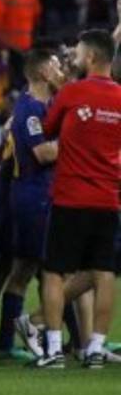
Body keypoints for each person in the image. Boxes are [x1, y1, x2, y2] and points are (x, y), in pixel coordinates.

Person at [31, 30, 121, 369]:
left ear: (92, 57)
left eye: (80, 53)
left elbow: (48, 127)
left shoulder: (72, 92)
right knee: (104, 272)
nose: (76, 57)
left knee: (54, 273)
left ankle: (54, 349)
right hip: (108, 199)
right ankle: (96, 347)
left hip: (70, 197)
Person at [0, 50, 63, 359]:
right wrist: (79, 138)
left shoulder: (39, 105)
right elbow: (44, 154)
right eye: (57, 66)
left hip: (34, 195)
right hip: (34, 198)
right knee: (46, 271)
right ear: (44, 72)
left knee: (28, 269)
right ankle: (28, 337)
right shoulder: (32, 111)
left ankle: (8, 342)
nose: (61, 71)